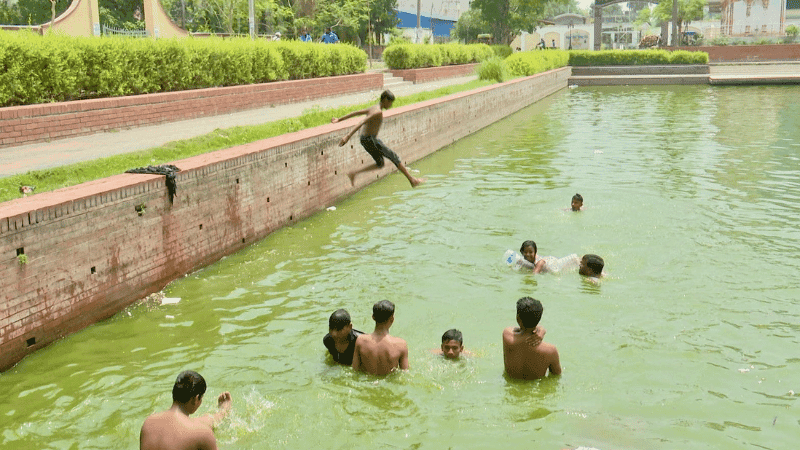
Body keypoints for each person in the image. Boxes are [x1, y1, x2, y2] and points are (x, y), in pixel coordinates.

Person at [332, 90, 425, 188]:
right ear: (385, 100)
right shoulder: (377, 112)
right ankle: (412, 180)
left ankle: (354, 173)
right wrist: (348, 136)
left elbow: (356, 113)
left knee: (380, 163)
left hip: (365, 140)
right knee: (394, 157)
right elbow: (362, 122)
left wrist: (339, 119)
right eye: (390, 102)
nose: (391, 105)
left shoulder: (374, 108)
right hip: (369, 140)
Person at [140, 370, 232, 450]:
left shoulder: (148, 423)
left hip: (191, 428)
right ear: (196, 399)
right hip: (198, 431)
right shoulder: (203, 434)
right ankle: (223, 411)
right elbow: (196, 429)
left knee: (201, 423)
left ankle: (222, 412)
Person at [502, 297, 561, 380]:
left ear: (517, 318)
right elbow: (556, 375)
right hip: (535, 389)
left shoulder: (507, 336)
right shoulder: (550, 351)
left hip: (510, 387)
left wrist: (540, 330)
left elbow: (515, 329)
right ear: (539, 319)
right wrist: (542, 330)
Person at [352, 300, 409, 375]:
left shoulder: (361, 341)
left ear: (373, 317)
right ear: (392, 319)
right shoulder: (401, 345)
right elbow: (405, 373)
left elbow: (355, 370)